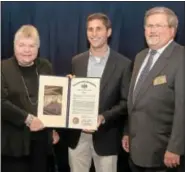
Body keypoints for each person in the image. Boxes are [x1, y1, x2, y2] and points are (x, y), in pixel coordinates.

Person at [66, 13, 132, 172]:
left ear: (108, 32)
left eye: (98, 29)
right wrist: (67, 88)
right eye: (90, 29)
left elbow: (125, 103)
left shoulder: (124, 64)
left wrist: (102, 118)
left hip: (106, 137)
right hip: (78, 136)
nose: (94, 34)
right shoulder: (77, 61)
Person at [122, 6, 185, 172]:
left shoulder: (181, 58)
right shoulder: (140, 56)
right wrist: (128, 131)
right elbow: (134, 99)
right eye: (149, 26)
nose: (152, 30)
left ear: (172, 30)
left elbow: (182, 108)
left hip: (163, 154)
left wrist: (176, 148)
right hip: (136, 150)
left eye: (158, 26)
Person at [1, 25, 59, 172]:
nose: (27, 50)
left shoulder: (45, 66)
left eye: (32, 46)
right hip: (13, 143)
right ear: (14, 46)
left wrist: (52, 126)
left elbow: (53, 99)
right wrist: (28, 119)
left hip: (41, 141)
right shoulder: (3, 68)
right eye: (22, 45)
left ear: (38, 48)